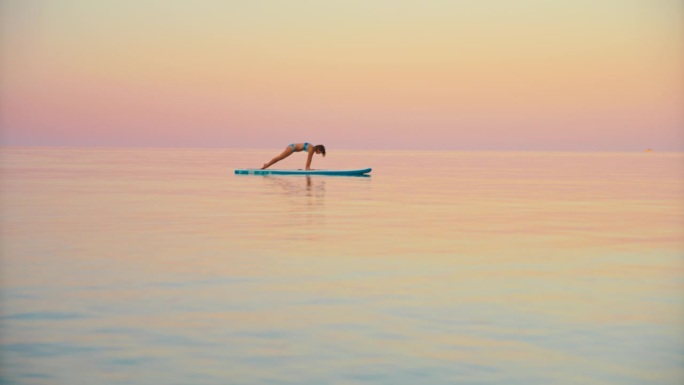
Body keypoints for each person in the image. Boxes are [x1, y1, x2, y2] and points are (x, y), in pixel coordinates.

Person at [261, 143, 326, 170]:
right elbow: (309, 160)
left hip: (292, 148)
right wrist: (308, 168)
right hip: (292, 148)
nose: (319, 153)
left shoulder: (311, 148)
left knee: (280, 158)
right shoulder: (311, 149)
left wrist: (308, 168)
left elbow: (309, 161)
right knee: (280, 157)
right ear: (318, 149)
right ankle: (266, 165)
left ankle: (267, 165)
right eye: (320, 152)